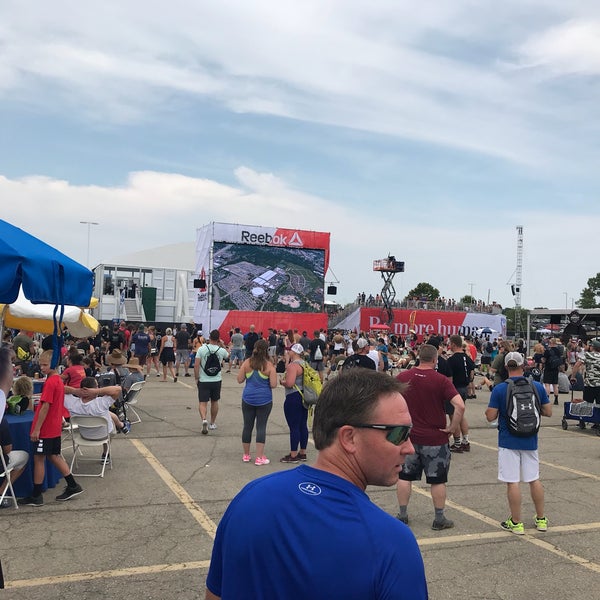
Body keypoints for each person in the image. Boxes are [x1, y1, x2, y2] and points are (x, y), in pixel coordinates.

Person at [205, 369, 428, 600]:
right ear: (349, 437)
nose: (410, 447)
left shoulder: (250, 498)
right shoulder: (392, 543)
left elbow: (214, 594)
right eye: (399, 434)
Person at [396, 344, 465, 529]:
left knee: (404, 476)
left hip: (409, 437)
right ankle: (439, 518)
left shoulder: (403, 377)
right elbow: (460, 406)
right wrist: (452, 427)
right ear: (435, 360)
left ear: (418, 357)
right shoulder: (441, 380)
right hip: (435, 438)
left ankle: (402, 515)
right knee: (437, 480)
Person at [485, 352, 552, 534]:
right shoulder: (536, 386)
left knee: (512, 481)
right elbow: (548, 412)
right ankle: (541, 519)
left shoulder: (500, 389)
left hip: (508, 439)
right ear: (524, 366)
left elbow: (491, 416)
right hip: (530, 438)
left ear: (506, 367)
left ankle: (516, 522)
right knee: (534, 479)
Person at [18, 350, 83, 506]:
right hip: (53, 426)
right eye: (40, 364)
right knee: (54, 455)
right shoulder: (58, 380)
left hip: (46, 428)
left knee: (39, 458)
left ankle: (36, 495)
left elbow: (46, 406)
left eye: (45, 364)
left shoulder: (50, 382)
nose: (42, 367)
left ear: (53, 364)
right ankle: (72, 485)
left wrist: (37, 429)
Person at [64, 377, 130, 459]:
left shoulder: (72, 404)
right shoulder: (101, 403)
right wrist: (98, 391)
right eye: (97, 387)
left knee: (106, 414)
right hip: (103, 435)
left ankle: (121, 425)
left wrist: (75, 391)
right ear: (94, 389)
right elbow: (118, 389)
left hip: (84, 435)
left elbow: (59, 389)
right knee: (107, 418)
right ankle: (106, 453)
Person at [236, 339, 277, 465]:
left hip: (248, 398)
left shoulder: (247, 363)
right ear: (266, 350)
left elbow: (239, 379)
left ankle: (246, 455)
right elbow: (274, 385)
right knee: (261, 426)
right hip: (264, 400)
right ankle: (259, 457)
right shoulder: (269, 366)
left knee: (247, 426)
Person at [0, 348, 28, 508]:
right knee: (23, 457)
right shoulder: (2, 422)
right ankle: (1, 491)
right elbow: (8, 449)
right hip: (1, 461)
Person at [279, 343, 309, 463]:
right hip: (303, 395)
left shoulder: (293, 366)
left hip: (293, 396)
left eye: (289, 350)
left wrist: (282, 382)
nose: (288, 352)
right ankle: (303, 452)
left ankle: (293, 455)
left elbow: (290, 383)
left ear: (294, 352)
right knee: (303, 425)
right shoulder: (305, 364)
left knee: (294, 426)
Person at [195, 329, 229, 435]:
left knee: (202, 402)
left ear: (209, 337)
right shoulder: (221, 350)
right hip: (216, 379)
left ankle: (204, 419)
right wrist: (222, 344)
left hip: (204, 380)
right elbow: (228, 356)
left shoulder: (202, 349)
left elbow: (196, 365)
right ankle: (212, 423)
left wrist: (197, 377)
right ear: (218, 338)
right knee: (215, 401)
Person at [446, 334, 475, 452]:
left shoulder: (451, 360)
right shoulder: (467, 357)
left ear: (453, 344)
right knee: (461, 415)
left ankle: (457, 443)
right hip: (464, 388)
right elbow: (472, 373)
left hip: (455, 389)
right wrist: (469, 382)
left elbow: (450, 379)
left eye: (449, 344)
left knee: (454, 416)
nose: (448, 346)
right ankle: (465, 441)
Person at [570, 339, 600, 412]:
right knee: (599, 404)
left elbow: (577, 365)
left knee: (587, 403)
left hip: (589, 384)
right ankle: (597, 421)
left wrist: (573, 377)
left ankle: (584, 420)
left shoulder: (587, 355)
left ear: (592, 347)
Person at [543, 338, 563, 406]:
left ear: (551, 343)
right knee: (555, 385)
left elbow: (544, 360)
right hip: (555, 369)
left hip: (548, 368)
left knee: (547, 384)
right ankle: (556, 399)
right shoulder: (558, 351)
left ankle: (547, 399)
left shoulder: (547, 351)